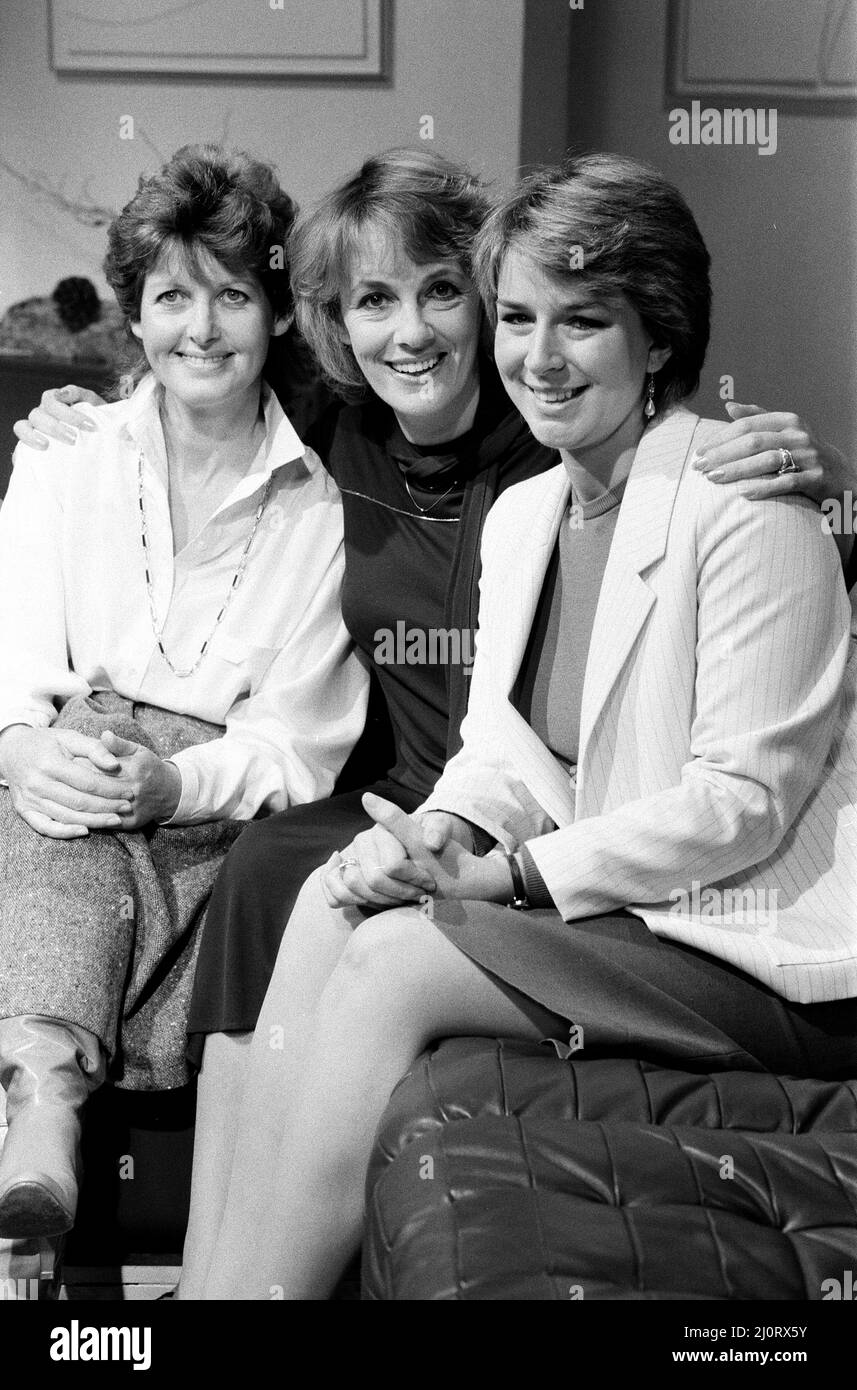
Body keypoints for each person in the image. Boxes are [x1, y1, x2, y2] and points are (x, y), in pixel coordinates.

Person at [13, 150, 853, 1298]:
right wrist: (435, 830)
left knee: (396, 965)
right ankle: (211, 1293)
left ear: (657, 336)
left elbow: (737, 805)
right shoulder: (529, 512)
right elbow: (502, 748)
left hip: (740, 938)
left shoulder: (746, 501)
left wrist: (502, 874)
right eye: (517, 316)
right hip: (608, 892)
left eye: (582, 322)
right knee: (327, 891)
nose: (537, 356)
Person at [0, 144, 367, 1243]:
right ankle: (45, 1104)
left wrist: (170, 780)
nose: (199, 330)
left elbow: (299, 740)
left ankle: (37, 1094)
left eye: (231, 296)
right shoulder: (67, 456)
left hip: (202, 812)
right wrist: (22, 749)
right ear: (134, 313)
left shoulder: (322, 505)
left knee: (81, 835)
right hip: (56, 773)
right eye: (171, 298)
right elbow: (11, 651)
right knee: (49, 811)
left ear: (276, 313)